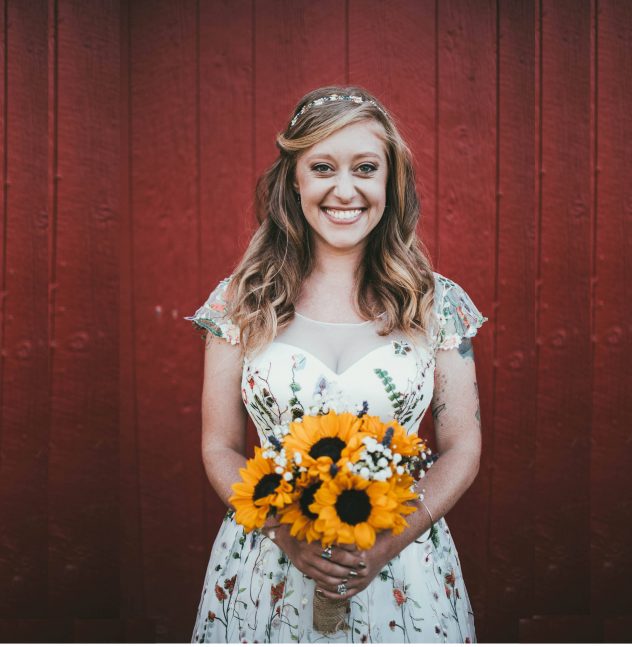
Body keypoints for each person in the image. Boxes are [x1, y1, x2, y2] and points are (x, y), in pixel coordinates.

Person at [186, 86, 487, 643]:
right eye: (322, 167)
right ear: (294, 180)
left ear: (389, 183)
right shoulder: (241, 300)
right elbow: (219, 446)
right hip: (266, 565)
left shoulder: (436, 303)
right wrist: (283, 531)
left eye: (365, 168)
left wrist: (389, 541)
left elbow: (462, 447)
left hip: (405, 565)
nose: (344, 189)